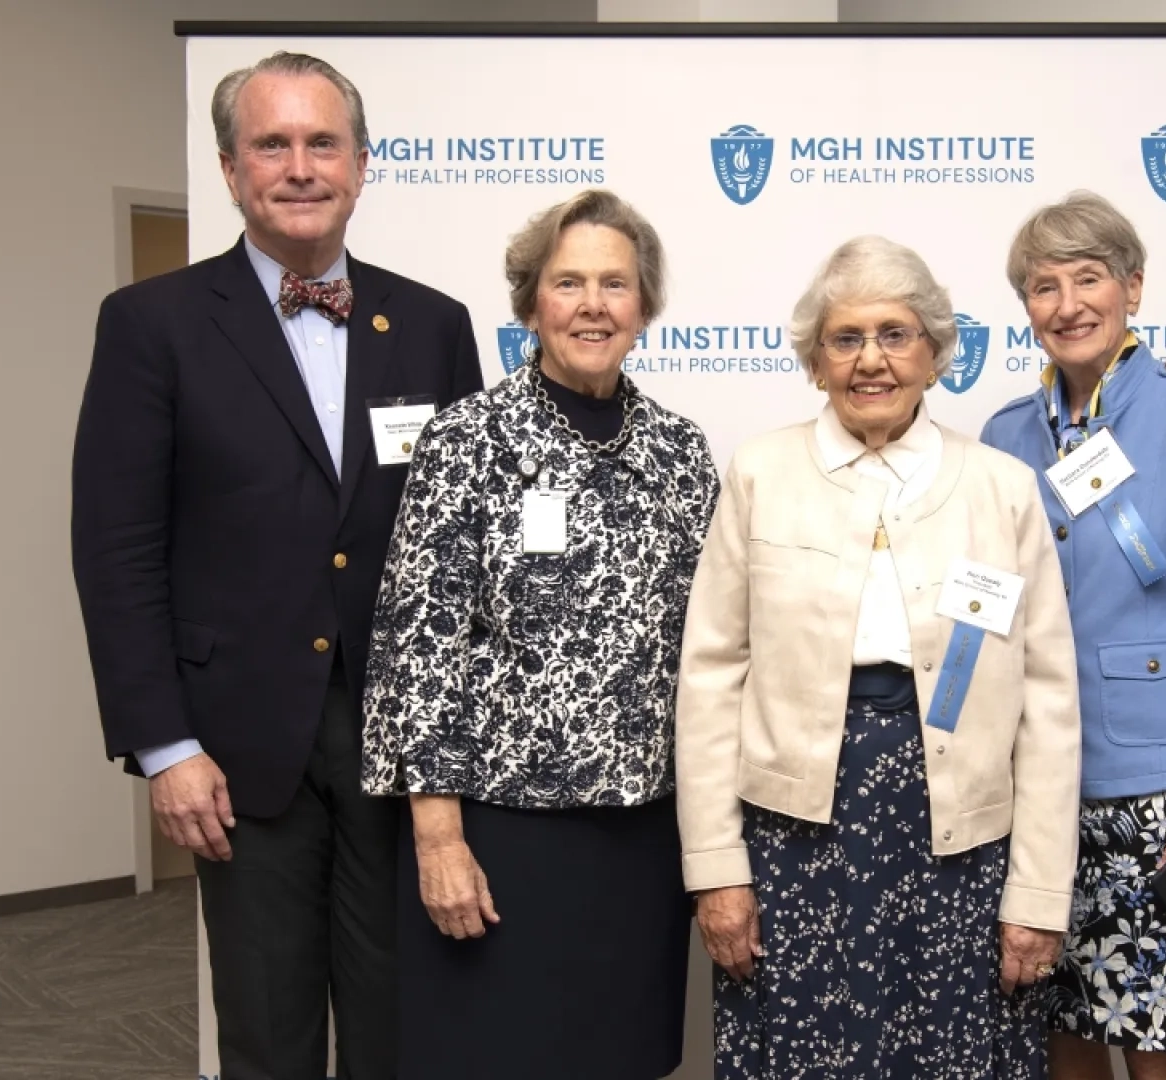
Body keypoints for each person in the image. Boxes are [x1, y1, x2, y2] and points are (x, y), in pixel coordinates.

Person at [71, 51, 481, 1080]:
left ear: (362, 164)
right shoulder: (151, 325)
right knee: (266, 1029)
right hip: (236, 744)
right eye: (272, 144)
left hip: (399, 744)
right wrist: (164, 746)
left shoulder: (434, 326)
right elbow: (116, 550)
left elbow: (462, 545)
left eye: (322, 143)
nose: (300, 167)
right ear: (229, 167)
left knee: (404, 1027)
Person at [676, 235, 1082, 1080]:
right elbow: (710, 680)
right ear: (814, 360)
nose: (871, 360)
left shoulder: (1002, 487)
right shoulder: (759, 473)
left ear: (935, 353)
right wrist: (717, 872)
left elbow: (1047, 703)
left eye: (896, 334)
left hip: (964, 843)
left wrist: (1039, 895)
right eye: (846, 338)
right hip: (791, 843)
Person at [360, 188, 718, 1080]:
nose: (593, 305)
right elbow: (417, 648)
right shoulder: (466, 442)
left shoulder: (682, 453)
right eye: (569, 283)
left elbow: (714, 646)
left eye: (615, 284)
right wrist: (438, 842)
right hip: (500, 837)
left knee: (624, 1059)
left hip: (642, 837)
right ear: (530, 304)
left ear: (644, 306)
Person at [980, 191, 1166, 1080]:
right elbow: (987, 612)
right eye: (1044, 286)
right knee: (1055, 1035)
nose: (1067, 304)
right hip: (1036, 790)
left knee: (1158, 1046)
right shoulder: (1004, 435)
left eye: (1089, 279)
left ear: (1132, 287)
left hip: (1162, 793)